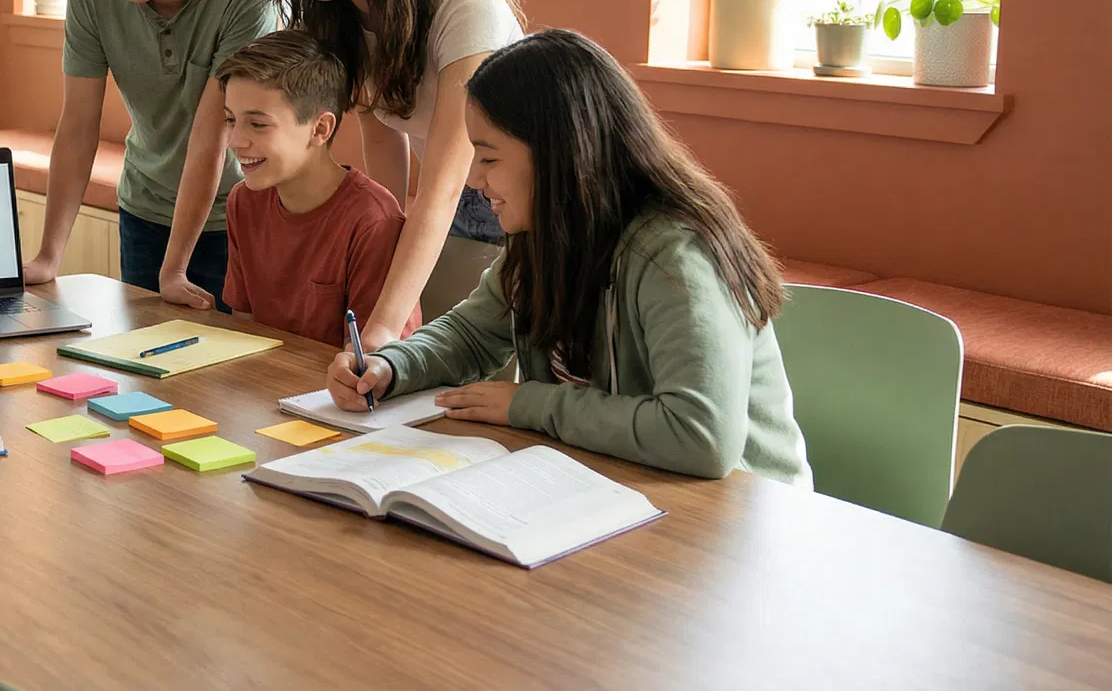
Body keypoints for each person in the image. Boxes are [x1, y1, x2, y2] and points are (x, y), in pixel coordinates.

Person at [325, 29, 812, 486]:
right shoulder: (543, 231)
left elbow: (700, 436)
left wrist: (532, 404)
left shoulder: (677, 255)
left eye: (489, 158)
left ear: (560, 154)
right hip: (611, 487)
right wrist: (391, 367)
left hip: (734, 522)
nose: (475, 179)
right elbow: (473, 335)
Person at [272, 0, 525, 349]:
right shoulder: (344, 16)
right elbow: (385, 142)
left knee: (480, 376)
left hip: (531, 200)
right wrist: (380, 284)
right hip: (461, 198)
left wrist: (384, 324)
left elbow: (444, 184)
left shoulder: (465, 6)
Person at [22, 0, 275, 309]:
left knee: (231, 378)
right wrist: (47, 257)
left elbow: (211, 134)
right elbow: (78, 124)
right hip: (145, 209)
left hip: (240, 217)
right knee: (140, 365)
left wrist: (175, 268)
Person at [217, 30, 420, 344]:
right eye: (231, 119)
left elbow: (374, 364)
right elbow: (244, 331)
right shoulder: (243, 202)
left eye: (257, 124)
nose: (234, 141)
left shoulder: (373, 221)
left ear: (320, 129)